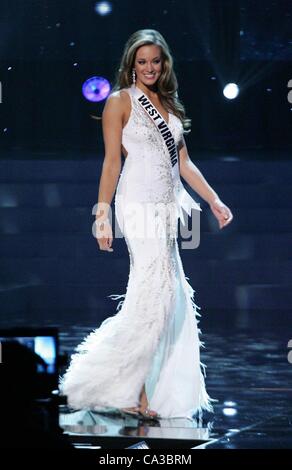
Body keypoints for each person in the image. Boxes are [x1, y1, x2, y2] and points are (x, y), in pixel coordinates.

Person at [60, 29, 233, 420]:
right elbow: (111, 163)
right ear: (131, 64)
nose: (149, 68)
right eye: (142, 62)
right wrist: (101, 216)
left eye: (155, 61)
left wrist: (214, 199)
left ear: (164, 63)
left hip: (166, 208)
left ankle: (137, 388)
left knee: (165, 296)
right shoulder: (120, 102)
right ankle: (129, 391)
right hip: (136, 206)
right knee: (154, 293)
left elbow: (184, 164)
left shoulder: (169, 106)